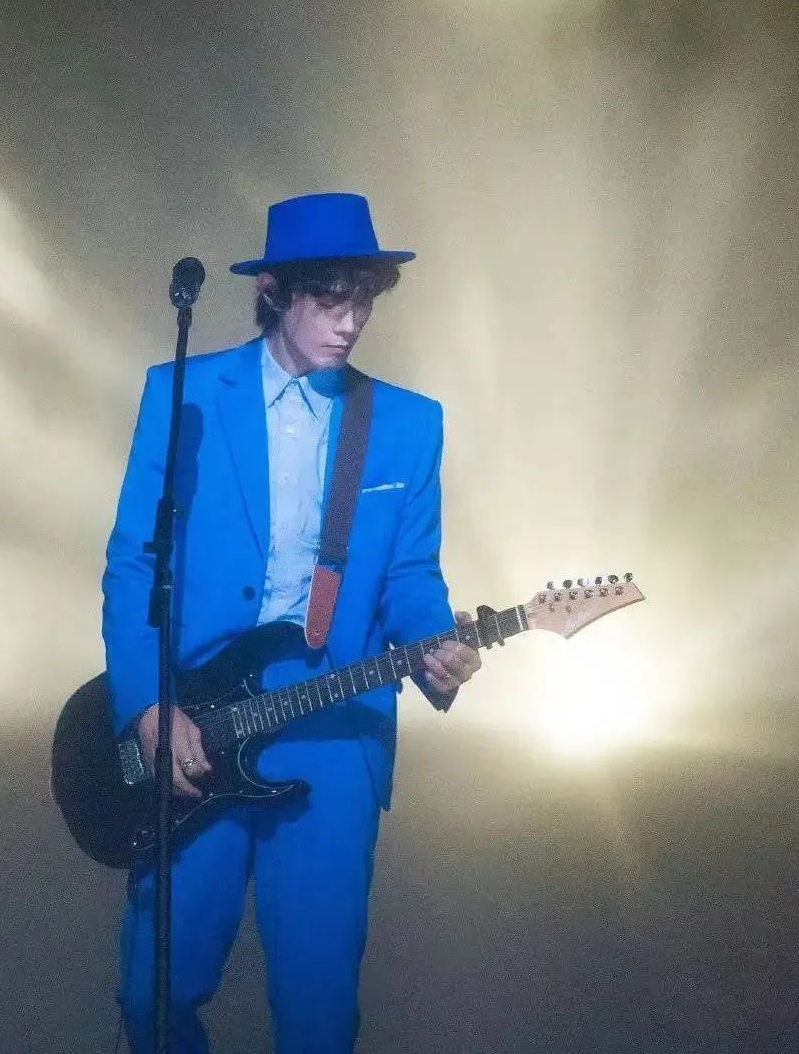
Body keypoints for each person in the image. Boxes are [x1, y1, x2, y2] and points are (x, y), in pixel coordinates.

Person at [101, 191, 481, 1053]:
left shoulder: (409, 423)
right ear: (274, 290)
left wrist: (437, 645)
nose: (350, 322)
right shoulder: (183, 392)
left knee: (318, 1011)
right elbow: (133, 565)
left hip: (334, 725)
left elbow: (412, 574)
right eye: (329, 299)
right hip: (196, 719)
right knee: (152, 992)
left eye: (363, 300)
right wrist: (148, 704)